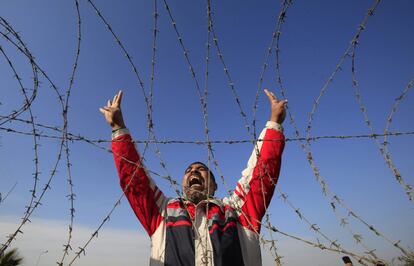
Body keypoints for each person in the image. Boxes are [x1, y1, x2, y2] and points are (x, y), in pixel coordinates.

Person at [100, 89, 287, 266]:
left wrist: (274, 123)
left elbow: (261, 174)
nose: (194, 171)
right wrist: (118, 129)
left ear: (213, 185)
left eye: (201, 169)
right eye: (188, 170)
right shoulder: (164, 211)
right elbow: (135, 181)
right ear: (183, 183)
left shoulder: (237, 210)